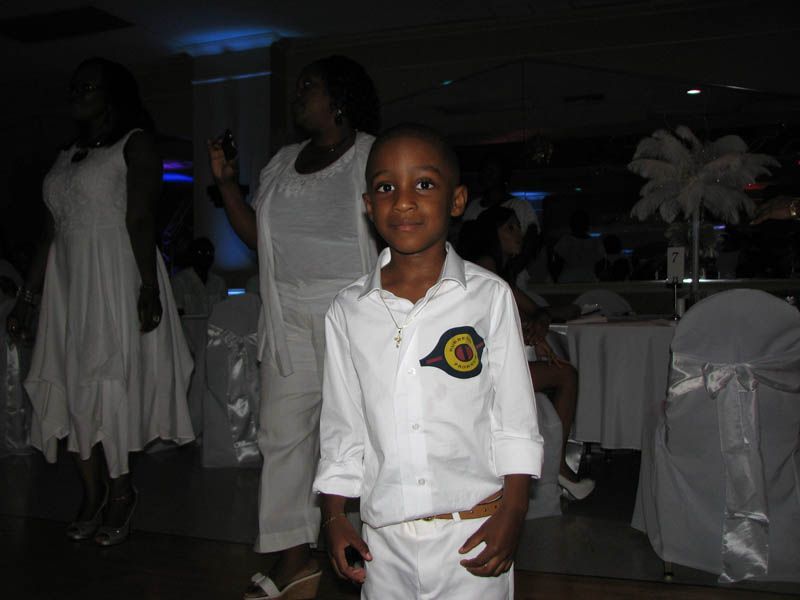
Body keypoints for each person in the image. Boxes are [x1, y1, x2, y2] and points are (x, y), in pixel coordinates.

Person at [314, 124, 543, 599]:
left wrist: (514, 511)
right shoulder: (348, 310)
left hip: (474, 535)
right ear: (367, 204)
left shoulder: (489, 297)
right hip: (384, 544)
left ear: (457, 201)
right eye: (384, 187)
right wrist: (335, 516)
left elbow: (515, 419)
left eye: (423, 184)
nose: (403, 201)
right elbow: (343, 427)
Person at [207, 55, 380, 599]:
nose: (298, 94)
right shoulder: (281, 163)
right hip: (286, 317)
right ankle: (293, 558)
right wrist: (228, 184)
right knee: (281, 437)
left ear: (340, 98)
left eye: (310, 86)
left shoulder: (372, 154)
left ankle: (371, 549)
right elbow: (259, 239)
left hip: (353, 317)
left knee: (363, 439)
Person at [5, 57, 194, 546]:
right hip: (68, 282)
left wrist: (148, 288)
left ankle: (121, 493)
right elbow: (48, 231)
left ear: (111, 94)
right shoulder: (66, 154)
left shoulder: (134, 145)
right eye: (73, 84)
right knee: (71, 382)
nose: (76, 92)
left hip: (114, 275)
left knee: (108, 385)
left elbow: (140, 220)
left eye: (87, 85)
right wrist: (29, 294)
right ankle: (90, 494)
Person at [459, 206, 593, 500]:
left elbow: (535, 310)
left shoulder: (499, 271)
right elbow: (482, 325)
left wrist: (537, 324)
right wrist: (529, 329)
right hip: (482, 369)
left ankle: (553, 461)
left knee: (563, 371)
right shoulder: (485, 268)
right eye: (510, 228)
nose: (519, 233)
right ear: (492, 235)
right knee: (567, 375)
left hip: (498, 361)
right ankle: (556, 463)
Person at [171, 237, 227, 317]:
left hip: (214, 329)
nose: (205, 256)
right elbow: (177, 314)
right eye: (200, 252)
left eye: (209, 253)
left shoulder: (219, 283)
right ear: (192, 255)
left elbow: (225, 313)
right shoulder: (179, 281)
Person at [553, 209, 605, 283]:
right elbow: (601, 264)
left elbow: (557, 263)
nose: (580, 224)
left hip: (569, 280)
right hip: (587, 280)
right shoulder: (595, 242)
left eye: (581, 222)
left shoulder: (565, 240)